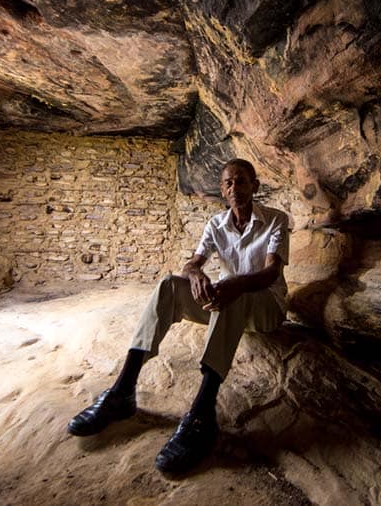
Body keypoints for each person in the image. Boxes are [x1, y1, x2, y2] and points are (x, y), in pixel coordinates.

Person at [67, 158, 290, 474]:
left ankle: (202, 414)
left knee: (233, 291)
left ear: (254, 186)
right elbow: (193, 262)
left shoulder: (276, 220)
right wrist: (195, 274)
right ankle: (122, 391)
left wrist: (231, 284)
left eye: (241, 181)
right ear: (222, 191)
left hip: (266, 308)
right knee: (170, 284)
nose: (234, 188)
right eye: (228, 183)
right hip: (229, 302)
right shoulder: (216, 224)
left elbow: (269, 274)